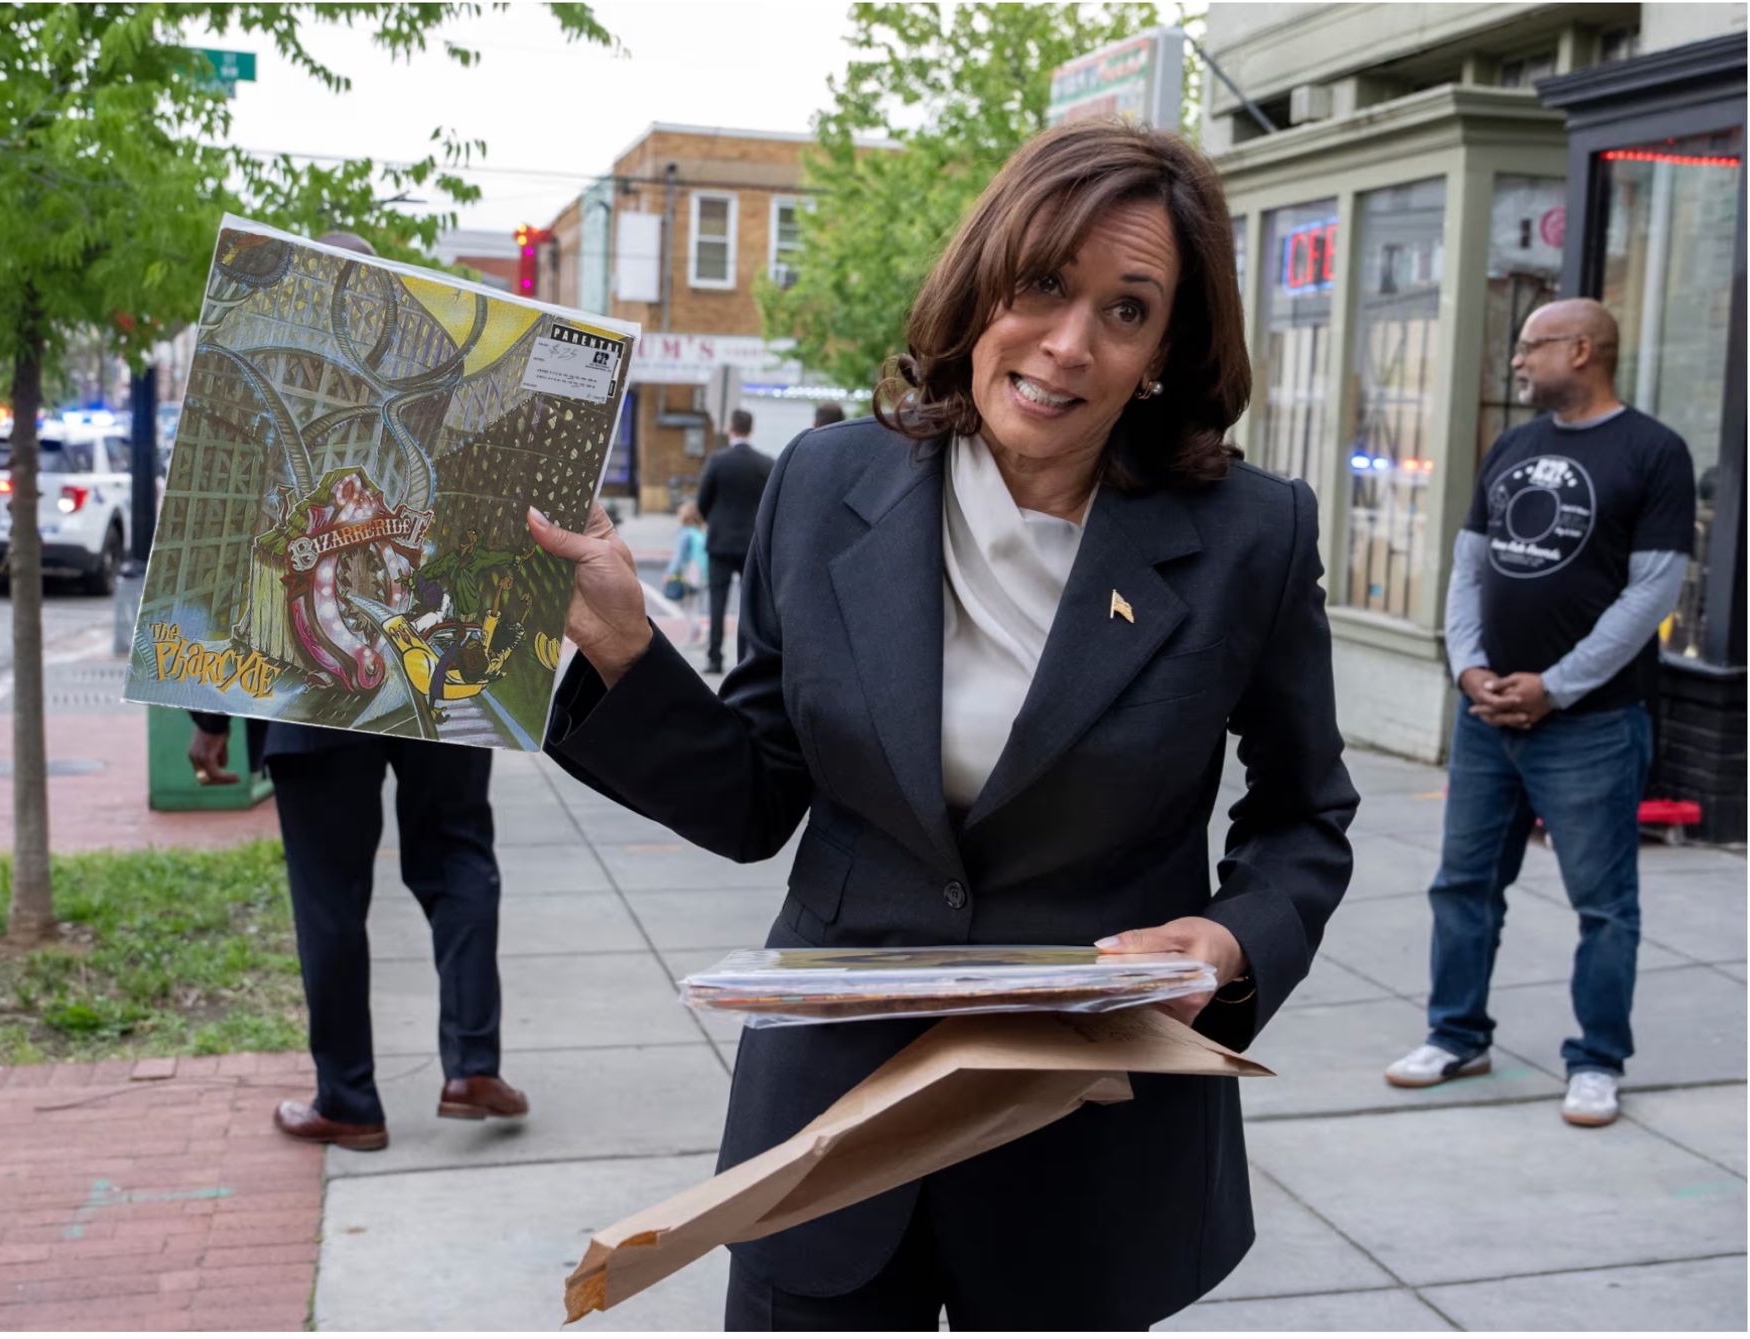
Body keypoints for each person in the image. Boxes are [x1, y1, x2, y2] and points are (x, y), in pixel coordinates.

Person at [526, 121, 1357, 1330]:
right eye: (1041, 286)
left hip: (1080, 1148)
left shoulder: (1249, 537)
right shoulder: (823, 484)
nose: (1067, 345)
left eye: (1125, 311)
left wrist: (1227, 942)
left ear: (1165, 348)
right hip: (827, 1135)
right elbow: (758, 793)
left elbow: (1302, 818)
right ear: (982, 285)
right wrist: (621, 649)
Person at [186, 228, 527, 1154]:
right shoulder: (432, 359)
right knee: (457, 856)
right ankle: (470, 1061)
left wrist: (209, 717)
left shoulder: (254, 358)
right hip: (422, 664)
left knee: (329, 894)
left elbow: (217, 555)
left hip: (306, 689)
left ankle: (350, 1100)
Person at [1385, 299, 1694, 1130]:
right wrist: (1470, 666)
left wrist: (1556, 684)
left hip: (1590, 726)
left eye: (1532, 345)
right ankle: (1455, 1035)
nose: (1518, 360)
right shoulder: (1514, 446)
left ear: (1583, 349)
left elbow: (1653, 591)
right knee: (1464, 887)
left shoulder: (1654, 452)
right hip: (1487, 720)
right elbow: (1468, 568)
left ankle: (1596, 1060)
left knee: (1604, 903)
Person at [694, 408, 774, 674]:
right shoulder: (765, 463)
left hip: (720, 542)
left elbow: (702, 501)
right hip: (752, 542)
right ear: (750, 429)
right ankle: (747, 659)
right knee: (750, 604)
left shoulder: (718, 461)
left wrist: (713, 522)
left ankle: (715, 657)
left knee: (717, 600)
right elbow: (770, 504)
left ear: (731, 429)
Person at [666, 499, 708, 644]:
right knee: (695, 604)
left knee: (685, 605)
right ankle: (694, 634)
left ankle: (700, 630)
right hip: (702, 572)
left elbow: (678, 556)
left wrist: (670, 573)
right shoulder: (701, 530)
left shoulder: (685, 533)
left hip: (688, 572)